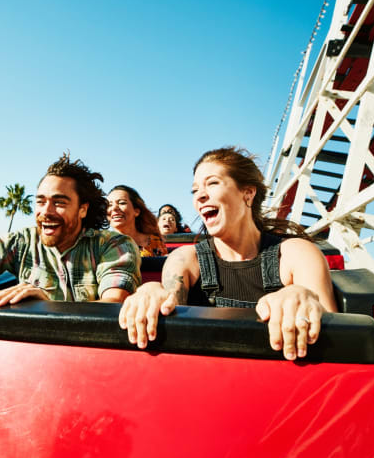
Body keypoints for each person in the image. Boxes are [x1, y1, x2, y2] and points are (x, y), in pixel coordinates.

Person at [119, 147, 337, 360]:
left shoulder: (295, 254)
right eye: (195, 190)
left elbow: (339, 335)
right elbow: (168, 304)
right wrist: (151, 292)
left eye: (212, 183)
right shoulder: (186, 259)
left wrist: (302, 296)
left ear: (248, 193)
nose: (200, 196)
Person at [0, 153, 141, 307]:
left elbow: (112, 307)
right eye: (40, 201)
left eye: (59, 202)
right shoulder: (25, 241)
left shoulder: (113, 245)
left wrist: (48, 305)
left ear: (83, 209)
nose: (46, 212)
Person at [107, 185, 168, 257]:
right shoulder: (101, 244)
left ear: (136, 211)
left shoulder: (155, 242)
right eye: (109, 205)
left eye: (122, 203)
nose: (114, 208)